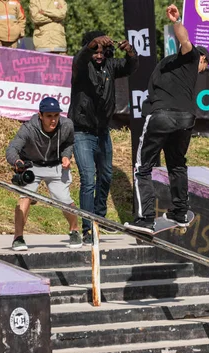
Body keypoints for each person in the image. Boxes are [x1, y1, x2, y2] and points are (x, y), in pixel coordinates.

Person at [125, 4, 209, 233]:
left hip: (163, 117)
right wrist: (176, 20)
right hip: (184, 119)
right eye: (205, 67)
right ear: (202, 59)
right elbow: (184, 40)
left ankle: (145, 219)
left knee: (143, 167)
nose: (201, 72)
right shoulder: (191, 58)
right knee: (177, 165)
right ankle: (180, 212)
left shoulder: (163, 66)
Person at [68, 31, 138, 244]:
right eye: (95, 50)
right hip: (81, 132)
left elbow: (130, 67)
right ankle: (88, 228)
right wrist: (92, 44)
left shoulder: (110, 65)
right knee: (88, 178)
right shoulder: (81, 67)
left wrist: (130, 52)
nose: (99, 55)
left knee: (106, 176)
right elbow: (81, 58)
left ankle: (98, 217)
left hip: (102, 132)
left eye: (102, 51)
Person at [5, 97, 81, 251]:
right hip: (32, 166)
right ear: (40, 115)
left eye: (56, 116)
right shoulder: (29, 128)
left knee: (64, 199)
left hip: (56, 166)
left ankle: (74, 230)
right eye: (49, 116)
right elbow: (11, 149)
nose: (53, 120)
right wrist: (17, 162)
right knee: (24, 195)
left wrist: (66, 156)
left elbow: (69, 143)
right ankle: (18, 238)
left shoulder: (67, 125)